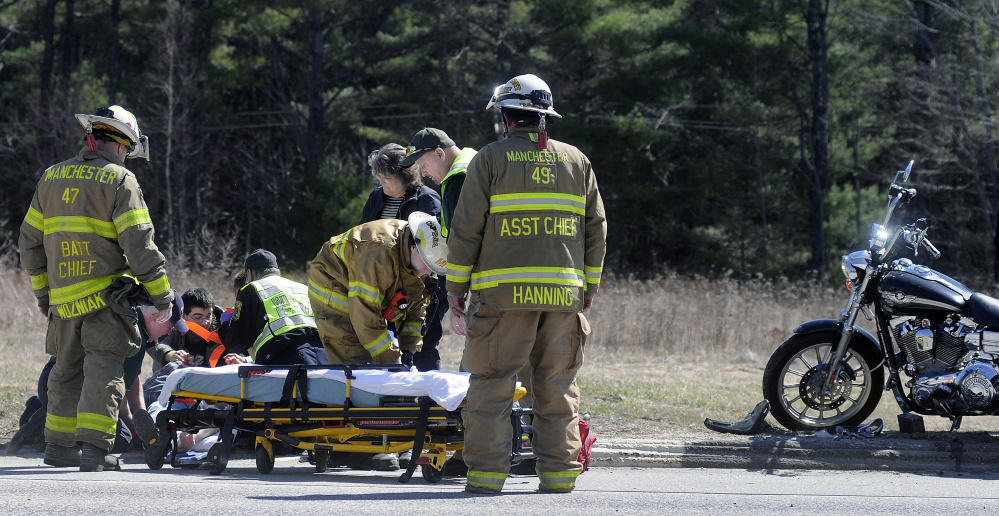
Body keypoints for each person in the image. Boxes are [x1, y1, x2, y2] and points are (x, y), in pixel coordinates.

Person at [445, 74, 607, 494]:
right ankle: (558, 476)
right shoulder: (577, 161)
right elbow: (596, 231)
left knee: (492, 386)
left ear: (505, 116)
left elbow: (465, 231)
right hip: (562, 298)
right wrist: (587, 288)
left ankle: (485, 477)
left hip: (501, 300)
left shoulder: (489, 158)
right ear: (544, 117)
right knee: (556, 386)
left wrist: (455, 291)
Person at [18, 105, 173, 472]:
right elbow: (140, 244)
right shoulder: (121, 181)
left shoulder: (50, 177)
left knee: (66, 371)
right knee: (105, 371)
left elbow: (28, 244)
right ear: (121, 145)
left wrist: (44, 296)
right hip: (106, 300)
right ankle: (95, 449)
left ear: (93, 136)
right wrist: (162, 295)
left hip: (63, 302)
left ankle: (57, 446)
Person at [307, 212, 447, 471]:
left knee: (388, 370)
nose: (429, 271)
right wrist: (390, 358)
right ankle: (357, 446)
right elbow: (364, 313)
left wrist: (408, 351)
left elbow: (416, 310)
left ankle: (398, 440)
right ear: (414, 247)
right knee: (357, 364)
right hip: (334, 288)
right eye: (428, 264)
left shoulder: (421, 261)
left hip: (365, 296)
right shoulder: (378, 254)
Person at [359, 143, 443, 371]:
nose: (382, 183)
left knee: (422, 345)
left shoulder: (428, 201)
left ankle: (427, 399)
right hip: (385, 287)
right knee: (386, 343)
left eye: (387, 178)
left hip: (423, 288)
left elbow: (437, 251)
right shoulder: (376, 197)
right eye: (379, 177)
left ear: (405, 175)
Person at [400, 128, 478, 369]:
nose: (422, 173)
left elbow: (463, 242)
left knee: (478, 368)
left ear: (439, 153)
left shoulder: (457, 178)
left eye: (423, 164)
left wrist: (456, 291)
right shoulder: (473, 160)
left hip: (488, 284)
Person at [221, 249, 326, 366]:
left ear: (249, 274)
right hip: (323, 356)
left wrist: (226, 324)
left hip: (285, 359)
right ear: (277, 271)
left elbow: (237, 343)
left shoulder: (252, 289)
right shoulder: (303, 288)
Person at [148, 287, 223, 373]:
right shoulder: (171, 325)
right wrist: (171, 355)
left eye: (208, 316)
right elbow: (156, 345)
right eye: (198, 317)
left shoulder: (221, 331)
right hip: (171, 381)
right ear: (184, 316)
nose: (205, 322)